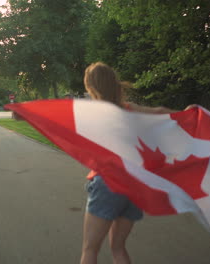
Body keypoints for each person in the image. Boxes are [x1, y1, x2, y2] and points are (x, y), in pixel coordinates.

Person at [81, 62, 186, 264]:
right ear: (114, 83)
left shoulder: (93, 114)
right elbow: (160, 111)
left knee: (90, 249)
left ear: (91, 87)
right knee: (118, 248)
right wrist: (187, 113)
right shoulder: (130, 109)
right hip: (135, 184)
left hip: (108, 183)